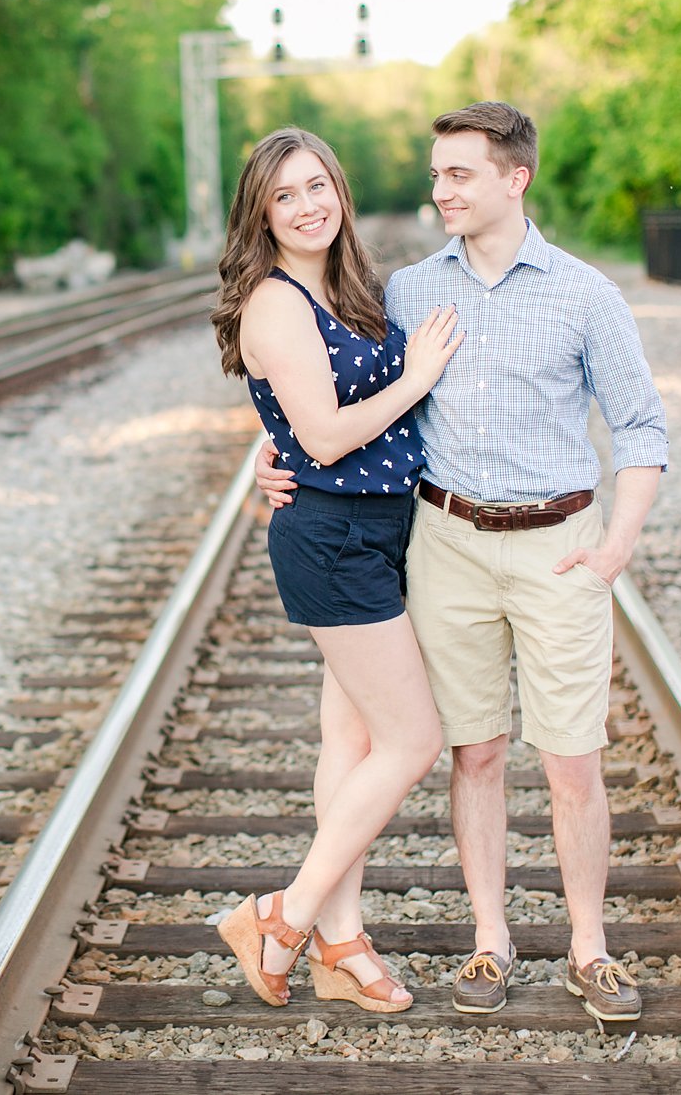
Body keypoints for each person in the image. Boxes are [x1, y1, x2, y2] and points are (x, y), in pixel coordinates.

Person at [256, 102, 668, 1022]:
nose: (438, 189)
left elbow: (641, 425)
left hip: (558, 546)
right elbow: (329, 386)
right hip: (441, 540)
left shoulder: (584, 293)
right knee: (472, 752)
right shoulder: (404, 290)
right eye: (435, 173)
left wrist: (616, 544)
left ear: (515, 178)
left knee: (572, 761)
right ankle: (491, 942)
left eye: (458, 174)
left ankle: (590, 948)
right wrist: (271, 448)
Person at [209, 126, 464, 1013]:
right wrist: (419, 374)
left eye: (318, 186)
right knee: (413, 741)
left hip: (377, 530)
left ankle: (340, 942)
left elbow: (301, 416)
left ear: (340, 192)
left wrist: (265, 446)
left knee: (351, 744)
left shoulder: (350, 288)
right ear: (261, 213)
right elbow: (320, 435)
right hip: (334, 539)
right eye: (285, 195)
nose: (308, 205)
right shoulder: (276, 302)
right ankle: (283, 914)